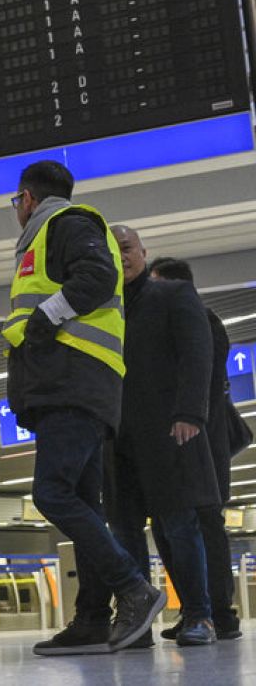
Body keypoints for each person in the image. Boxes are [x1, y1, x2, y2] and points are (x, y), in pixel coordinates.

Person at [3, 160, 164, 656]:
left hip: (71, 383)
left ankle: (133, 588)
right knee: (84, 500)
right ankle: (92, 619)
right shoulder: (47, 235)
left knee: (52, 492)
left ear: (27, 198)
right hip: (72, 384)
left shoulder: (65, 223)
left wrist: (44, 321)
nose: (17, 210)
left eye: (16, 202)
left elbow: (97, 273)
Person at [104, 228, 219, 646]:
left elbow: (197, 351)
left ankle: (199, 616)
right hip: (116, 436)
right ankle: (137, 624)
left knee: (179, 525)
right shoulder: (101, 309)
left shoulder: (171, 295)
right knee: (125, 529)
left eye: (127, 249)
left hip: (169, 430)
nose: (121, 257)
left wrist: (190, 412)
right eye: (111, 252)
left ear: (143, 253)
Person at [148, 256, 244, 641]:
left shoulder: (201, 320)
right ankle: (196, 609)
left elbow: (199, 383)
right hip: (189, 444)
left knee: (205, 525)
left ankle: (219, 613)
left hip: (201, 444)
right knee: (177, 527)